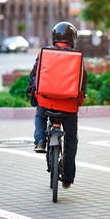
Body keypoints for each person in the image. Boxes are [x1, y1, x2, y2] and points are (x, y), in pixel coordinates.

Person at [26, 21, 87, 189]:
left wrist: (32, 92)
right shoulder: (77, 57)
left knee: (39, 115)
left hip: (46, 102)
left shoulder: (44, 53)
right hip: (68, 106)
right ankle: (67, 177)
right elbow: (83, 82)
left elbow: (34, 76)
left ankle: (39, 141)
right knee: (71, 139)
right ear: (73, 38)